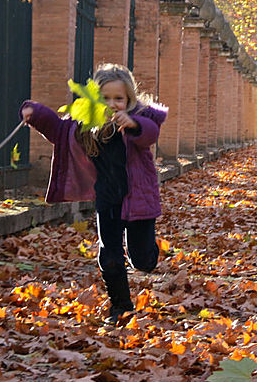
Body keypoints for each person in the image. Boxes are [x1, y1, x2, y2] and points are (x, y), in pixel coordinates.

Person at [20, 63, 167, 325]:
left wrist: (132, 123)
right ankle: (121, 306)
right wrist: (35, 113)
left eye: (118, 99)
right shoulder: (86, 125)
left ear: (129, 100)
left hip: (139, 200)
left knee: (143, 261)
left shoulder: (139, 121)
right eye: (105, 98)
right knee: (110, 257)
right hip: (108, 200)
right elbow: (58, 129)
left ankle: (146, 252)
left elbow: (150, 134)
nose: (112, 104)